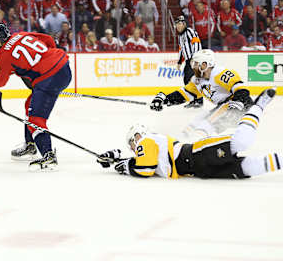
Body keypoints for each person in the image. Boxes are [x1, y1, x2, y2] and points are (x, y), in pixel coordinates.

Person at [97, 88, 280, 179]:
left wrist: (126, 166)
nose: (132, 146)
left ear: (138, 135)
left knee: (241, 141)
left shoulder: (147, 139)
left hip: (198, 153)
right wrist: (115, 158)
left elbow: (146, 168)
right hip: (198, 169)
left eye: (131, 142)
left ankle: (258, 106)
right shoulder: (147, 148)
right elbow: (142, 162)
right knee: (248, 168)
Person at [0, 23, 72, 171]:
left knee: (35, 119)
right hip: (63, 65)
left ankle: (48, 155)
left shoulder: (3, 55)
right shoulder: (22, 35)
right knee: (29, 105)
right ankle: (30, 145)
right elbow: (49, 40)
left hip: (48, 78)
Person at [149, 49, 254, 138]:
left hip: (240, 106)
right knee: (198, 120)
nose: (193, 67)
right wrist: (164, 100)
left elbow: (242, 89)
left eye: (196, 64)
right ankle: (185, 140)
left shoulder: (219, 73)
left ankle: (195, 142)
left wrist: (236, 106)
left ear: (204, 65)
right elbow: (184, 94)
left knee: (206, 124)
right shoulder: (197, 80)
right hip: (224, 106)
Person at [175, 15, 205, 109]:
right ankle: (194, 99)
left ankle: (199, 100)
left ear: (184, 24)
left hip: (195, 60)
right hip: (189, 61)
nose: (178, 26)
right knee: (186, 80)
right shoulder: (180, 36)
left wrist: (195, 58)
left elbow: (196, 43)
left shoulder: (190, 31)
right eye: (177, 24)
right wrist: (179, 62)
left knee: (192, 79)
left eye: (180, 24)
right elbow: (181, 50)